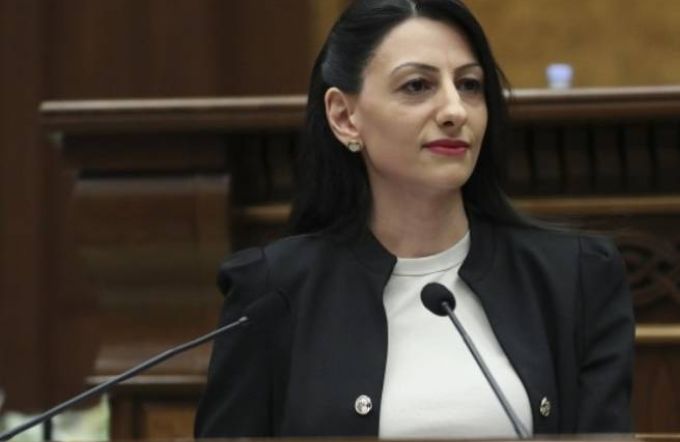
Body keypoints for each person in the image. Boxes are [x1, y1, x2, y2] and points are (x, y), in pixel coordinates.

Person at [194, 0, 634, 438]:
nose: (455, 110)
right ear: (344, 117)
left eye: (469, 85)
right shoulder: (273, 292)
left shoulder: (573, 278)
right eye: (417, 86)